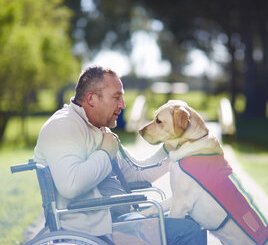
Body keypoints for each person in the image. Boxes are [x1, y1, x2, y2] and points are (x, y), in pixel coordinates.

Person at [33, 65, 207, 244]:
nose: (123, 105)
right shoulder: (63, 126)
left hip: (120, 220)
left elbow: (136, 173)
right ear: (91, 99)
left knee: (196, 217)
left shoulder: (97, 128)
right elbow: (71, 185)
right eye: (116, 97)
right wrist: (105, 152)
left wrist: (172, 148)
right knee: (188, 231)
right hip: (99, 231)